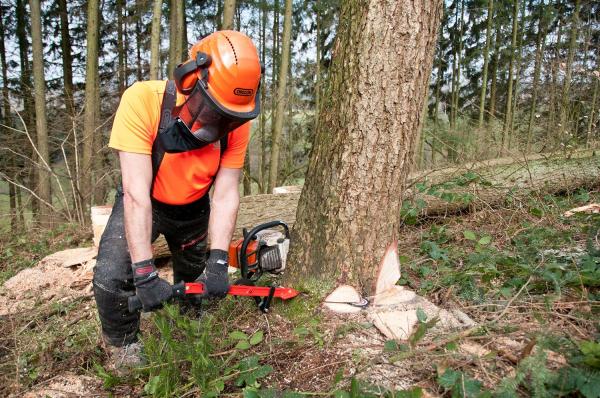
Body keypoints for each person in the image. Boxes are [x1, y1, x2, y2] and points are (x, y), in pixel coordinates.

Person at [92, 30, 262, 373]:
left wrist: (217, 260)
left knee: (196, 282)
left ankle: (190, 327)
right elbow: (136, 195)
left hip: (194, 207)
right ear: (190, 78)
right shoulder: (143, 101)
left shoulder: (236, 121)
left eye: (229, 116)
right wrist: (143, 271)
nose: (220, 124)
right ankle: (124, 346)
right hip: (147, 202)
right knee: (110, 279)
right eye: (215, 111)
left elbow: (227, 191)